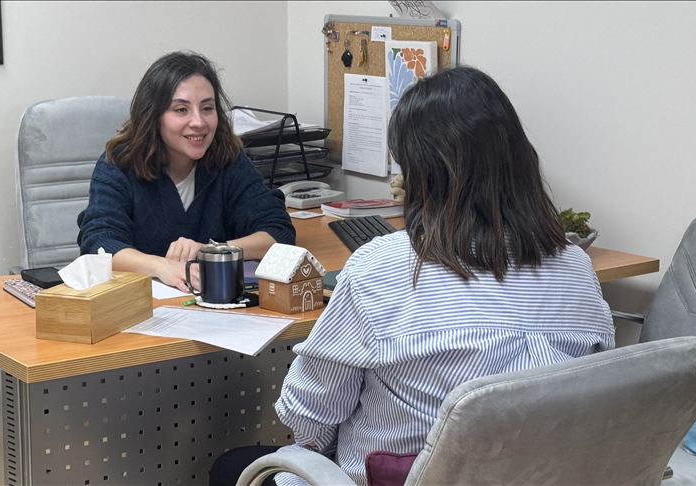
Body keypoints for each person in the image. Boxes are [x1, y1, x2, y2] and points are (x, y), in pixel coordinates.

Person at [212, 66, 616, 486]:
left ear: (422, 172)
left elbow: (310, 416)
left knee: (233, 467)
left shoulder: (381, 267)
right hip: (531, 474)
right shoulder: (575, 267)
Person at [77, 52, 295, 292]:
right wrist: (164, 267)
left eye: (207, 108)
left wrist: (211, 250)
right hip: (140, 310)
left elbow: (278, 232)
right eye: (181, 110)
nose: (199, 122)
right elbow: (98, 245)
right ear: (153, 116)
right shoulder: (120, 163)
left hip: (213, 309)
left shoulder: (227, 158)